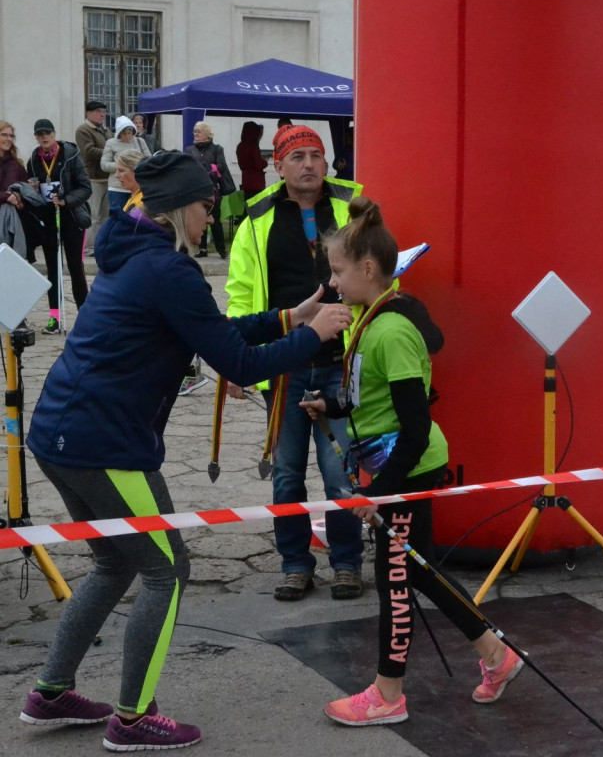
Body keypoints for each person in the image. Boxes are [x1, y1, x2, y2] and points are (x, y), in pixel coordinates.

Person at [18, 151, 353, 751]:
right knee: (167, 571)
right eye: (204, 207)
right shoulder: (169, 270)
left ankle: (50, 692)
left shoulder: (144, 257)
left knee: (117, 563)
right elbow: (239, 364)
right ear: (177, 209)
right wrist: (313, 335)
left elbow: (212, 332)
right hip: (104, 443)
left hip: (63, 434)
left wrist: (287, 318)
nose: (209, 220)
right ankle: (133, 716)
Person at [300, 196, 523, 727]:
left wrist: (379, 491)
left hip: (407, 468)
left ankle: (388, 695)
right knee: (418, 573)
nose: (332, 284)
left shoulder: (394, 330)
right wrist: (330, 405)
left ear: (369, 269)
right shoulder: (366, 319)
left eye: (337, 271)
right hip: (392, 465)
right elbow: (368, 398)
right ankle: (496, 653)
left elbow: (415, 425)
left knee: (395, 580)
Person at [225, 124, 365, 601]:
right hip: (283, 367)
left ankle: (346, 562)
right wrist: (233, 361)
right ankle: (295, 563)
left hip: (339, 363)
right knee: (287, 474)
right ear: (277, 166)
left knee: (339, 471)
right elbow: (240, 295)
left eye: (316, 155)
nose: (309, 164)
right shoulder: (255, 222)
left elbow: (380, 275)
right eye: (297, 157)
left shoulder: (354, 212)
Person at [13, 119, 92, 334]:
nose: (44, 137)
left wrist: (66, 200)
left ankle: (84, 316)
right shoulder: (34, 159)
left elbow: (85, 188)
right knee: (53, 269)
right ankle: (54, 317)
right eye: (40, 134)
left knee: (75, 267)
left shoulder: (71, 155)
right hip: (49, 219)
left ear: (54, 134)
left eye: (47, 133)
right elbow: (32, 186)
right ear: (36, 137)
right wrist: (33, 188)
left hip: (72, 216)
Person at [185, 121, 235, 258]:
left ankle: (221, 250)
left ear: (206, 134)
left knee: (215, 219)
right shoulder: (190, 150)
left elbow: (221, 166)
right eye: (194, 131)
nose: (195, 134)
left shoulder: (217, 149)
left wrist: (211, 172)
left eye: (198, 131)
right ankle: (202, 249)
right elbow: (187, 167)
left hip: (212, 190)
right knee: (199, 218)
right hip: (196, 189)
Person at [75, 100, 112, 251]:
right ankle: (88, 247)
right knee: (93, 215)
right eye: (98, 112)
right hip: (92, 178)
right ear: (88, 113)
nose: (102, 115)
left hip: (107, 177)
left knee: (105, 216)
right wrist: (111, 153)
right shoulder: (83, 130)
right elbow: (88, 152)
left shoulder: (106, 130)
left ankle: (101, 245)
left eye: (103, 112)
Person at [101, 116, 151, 213]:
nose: (127, 136)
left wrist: (137, 165)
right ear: (119, 133)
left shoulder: (140, 141)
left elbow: (149, 160)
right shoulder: (111, 143)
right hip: (117, 188)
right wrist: (122, 167)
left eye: (129, 133)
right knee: (117, 217)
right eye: (124, 134)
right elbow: (104, 164)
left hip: (137, 187)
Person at [1, 119, 30, 260]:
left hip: (13, 218)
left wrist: (20, 196)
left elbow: (23, 186)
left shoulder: (16, 163)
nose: (8, 139)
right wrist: (7, 197)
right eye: (4, 135)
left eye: (11, 136)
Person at [236, 120, 268, 197]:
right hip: (256, 183)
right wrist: (265, 162)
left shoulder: (240, 146)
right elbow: (259, 164)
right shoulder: (253, 146)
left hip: (246, 181)